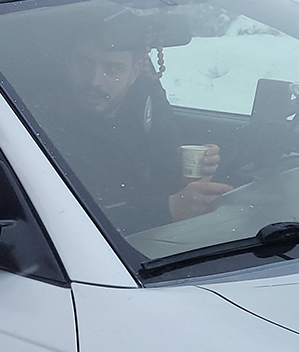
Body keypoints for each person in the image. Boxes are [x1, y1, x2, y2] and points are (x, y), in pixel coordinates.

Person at [55, 37, 232, 235]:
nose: (94, 80)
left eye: (112, 68)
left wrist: (191, 175)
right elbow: (69, 220)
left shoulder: (144, 106)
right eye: (84, 63)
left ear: (135, 72)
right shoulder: (43, 126)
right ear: (68, 63)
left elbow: (153, 175)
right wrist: (168, 210)